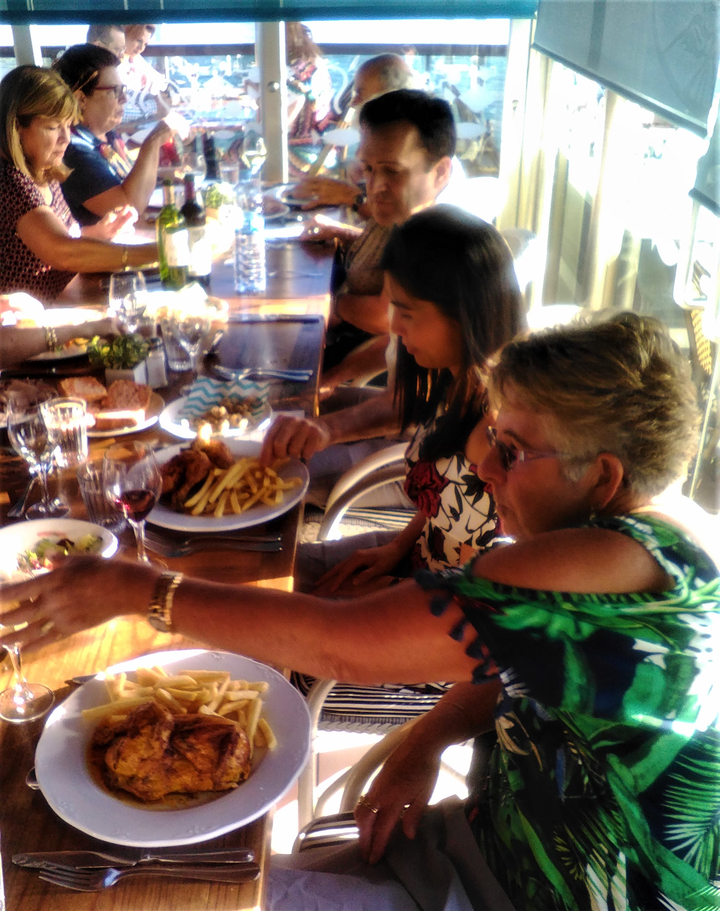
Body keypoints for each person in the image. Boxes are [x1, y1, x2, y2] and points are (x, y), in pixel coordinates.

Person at [5, 313, 718, 911]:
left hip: (541, 891)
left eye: (512, 449)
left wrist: (142, 592)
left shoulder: (596, 567)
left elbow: (342, 647)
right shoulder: (655, 538)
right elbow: (511, 660)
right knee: (191, 872)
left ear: (603, 474)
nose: (488, 468)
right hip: (489, 834)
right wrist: (422, 745)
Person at [300, 205, 524, 597]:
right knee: (276, 573)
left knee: (278, 599)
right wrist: (396, 548)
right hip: (414, 560)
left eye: (406, 313)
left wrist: (381, 595)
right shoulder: (456, 378)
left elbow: (467, 593)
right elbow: (447, 502)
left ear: (463, 314)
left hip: (436, 607)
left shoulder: (495, 427)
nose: (394, 327)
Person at [0, 66, 157, 302]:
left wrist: (97, 232)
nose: (66, 139)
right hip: (31, 323)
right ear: (17, 127)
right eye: (53, 127)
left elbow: (57, 237)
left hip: (69, 298)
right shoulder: (9, 182)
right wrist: (158, 252)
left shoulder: (43, 171)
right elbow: (63, 252)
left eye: (68, 126)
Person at [52, 44, 174, 226]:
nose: (124, 99)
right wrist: (153, 141)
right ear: (81, 99)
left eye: (123, 90)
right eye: (115, 91)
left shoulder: (105, 135)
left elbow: (133, 184)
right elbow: (128, 209)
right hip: (104, 251)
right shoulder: (72, 152)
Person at [291, 53, 417, 211]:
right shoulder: (388, 141)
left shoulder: (413, 147)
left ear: (388, 98)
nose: (353, 102)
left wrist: (350, 196)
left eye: (360, 94)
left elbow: (401, 219)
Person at [285, 22, 336, 174]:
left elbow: (283, 123)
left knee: (240, 151)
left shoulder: (299, 68)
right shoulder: (312, 61)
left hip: (305, 148)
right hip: (322, 143)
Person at [117, 24, 170, 134]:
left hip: (134, 127)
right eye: (138, 41)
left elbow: (160, 83)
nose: (141, 48)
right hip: (121, 131)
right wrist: (154, 106)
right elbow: (119, 113)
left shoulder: (134, 61)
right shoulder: (112, 66)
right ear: (125, 35)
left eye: (145, 44)